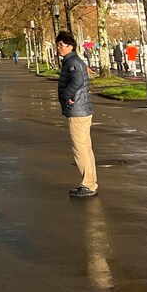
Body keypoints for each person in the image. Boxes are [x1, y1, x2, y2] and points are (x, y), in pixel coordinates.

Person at [56, 30, 97, 197]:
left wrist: (67, 95)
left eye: (61, 45)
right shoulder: (73, 61)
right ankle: (90, 182)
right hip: (82, 109)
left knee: (80, 149)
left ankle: (88, 184)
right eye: (58, 45)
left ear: (70, 46)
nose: (58, 48)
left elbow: (77, 80)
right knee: (86, 148)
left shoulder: (72, 62)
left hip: (78, 111)